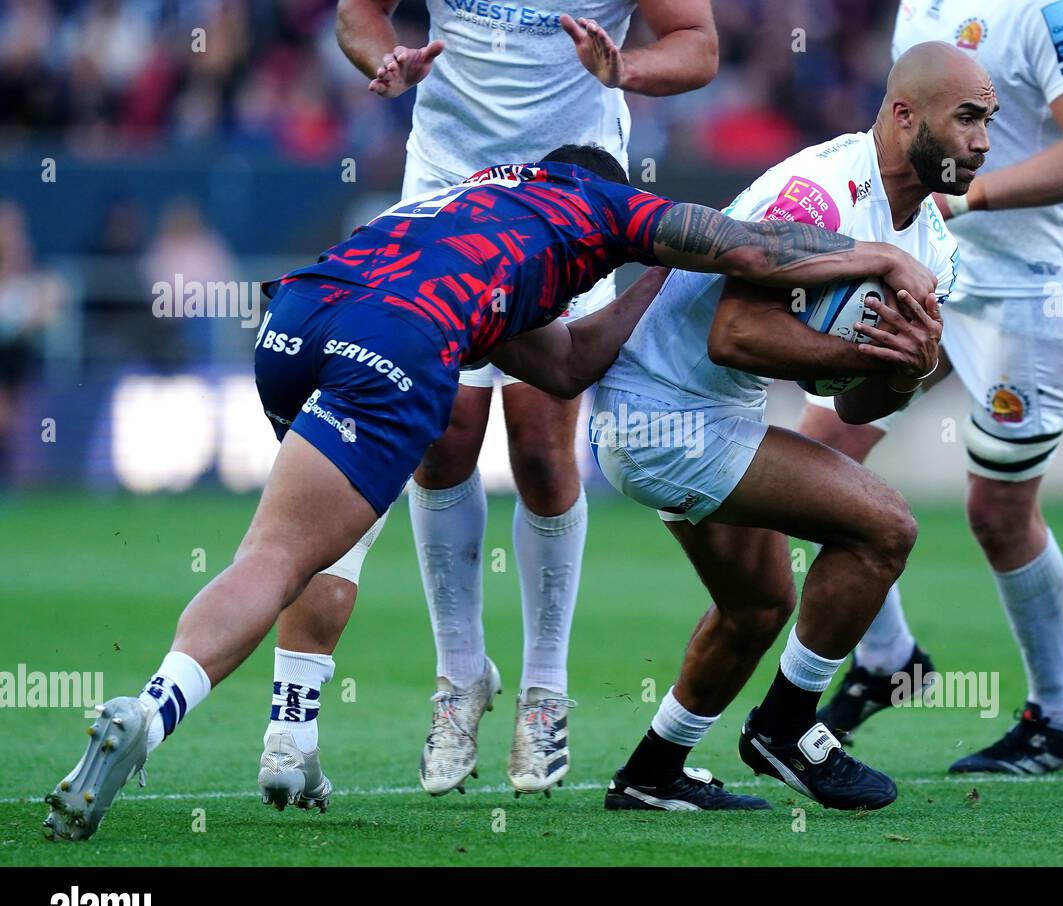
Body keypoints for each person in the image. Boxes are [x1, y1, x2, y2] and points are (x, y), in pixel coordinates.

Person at [43, 144, 942, 841]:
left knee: (292, 546)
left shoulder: (471, 207)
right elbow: (752, 242)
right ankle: (156, 714)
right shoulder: (603, 202)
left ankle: (290, 739)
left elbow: (570, 362)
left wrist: (651, 282)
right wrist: (883, 259)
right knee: (286, 554)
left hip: (299, 318)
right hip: (399, 342)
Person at [267, 0, 720, 802]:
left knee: (544, 446)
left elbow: (698, 46)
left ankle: (545, 690)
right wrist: (388, 58)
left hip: (573, 190)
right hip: (449, 180)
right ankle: (459, 680)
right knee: (442, 441)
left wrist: (627, 70)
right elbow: (357, 14)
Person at [590, 42, 992, 811]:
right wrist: (855, 353)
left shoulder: (934, 245)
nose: (982, 141)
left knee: (758, 605)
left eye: (989, 120)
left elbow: (852, 407)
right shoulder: (820, 192)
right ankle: (786, 723)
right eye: (968, 117)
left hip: (710, 407)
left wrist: (906, 374)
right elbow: (734, 334)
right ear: (905, 115)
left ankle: (650, 774)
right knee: (885, 527)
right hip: (660, 408)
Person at [815, 0, 1063, 776]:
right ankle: (889, 658)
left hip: (1039, 286)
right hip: (941, 262)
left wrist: (971, 196)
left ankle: (1059, 717)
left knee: (995, 511)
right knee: (814, 455)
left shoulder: (1054, 8)